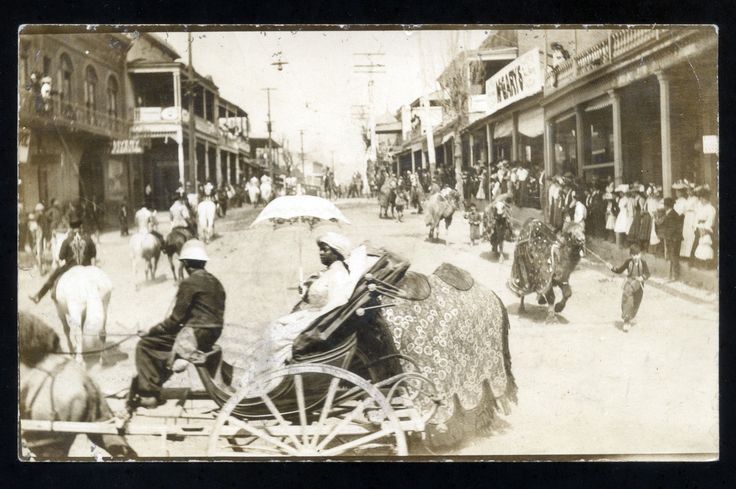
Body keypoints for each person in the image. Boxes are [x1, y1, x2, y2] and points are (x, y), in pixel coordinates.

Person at [232, 233, 356, 396]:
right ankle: (258, 381)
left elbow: (337, 303)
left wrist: (312, 323)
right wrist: (306, 292)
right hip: (311, 314)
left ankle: (269, 385)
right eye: (320, 249)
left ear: (336, 253)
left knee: (277, 337)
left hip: (319, 320)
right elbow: (319, 295)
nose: (320, 253)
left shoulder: (339, 275)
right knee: (274, 328)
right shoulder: (329, 272)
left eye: (325, 250)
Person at [128, 240, 225, 409]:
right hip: (213, 332)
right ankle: (156, 382)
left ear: (185, 263)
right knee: (165, 345)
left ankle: (149, 394)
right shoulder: (215, 282)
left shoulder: (189, 283)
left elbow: (175, 320)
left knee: (144, 346)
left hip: (196, 334)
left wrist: (151, 331)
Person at [29, 219, 96, 304]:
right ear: (81, 227)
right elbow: (93, 255)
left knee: (52, 278)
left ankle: (38, 296)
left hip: (70, 267)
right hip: (86, 267)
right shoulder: (88, 239)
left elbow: (61, 257)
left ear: (71, 228)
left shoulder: (67, 241)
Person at [607, 244, 650, 332]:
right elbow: (619, 270)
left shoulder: (643, 263)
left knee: (636, 303)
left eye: (637, 254)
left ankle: (630, 317)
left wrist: (643, 277)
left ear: (640, 254)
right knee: (627, 300)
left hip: (639, 285)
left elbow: (648, 274)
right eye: (633, 255)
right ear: (630, 255)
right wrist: (611, 268)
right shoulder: (628, 262)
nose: (635, 257)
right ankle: (626, 321)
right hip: (630, 283)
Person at [657, 197, 683, 282]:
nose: (664, 207)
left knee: (674, 257)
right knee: (672, 256)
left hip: (673, 239)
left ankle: (675, 276)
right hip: (671, 238)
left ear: (667, 206)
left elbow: (672, 228)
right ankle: (671, 275)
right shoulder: (670, 213)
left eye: (664, 205)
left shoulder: (671, 214)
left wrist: (666, 236)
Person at [693, 188, 716, 268]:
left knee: (706, 245)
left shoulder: (710, 208)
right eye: (701, 198)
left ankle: (707, 264)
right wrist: (696, 226)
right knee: (697, 244)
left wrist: (705, 229)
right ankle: (698, 263)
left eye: (704, 198)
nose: (702, 200)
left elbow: (711, 220)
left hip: (706, 229)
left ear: (707, 198)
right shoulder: (700, 207)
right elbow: (696, 218)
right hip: (699, 227)